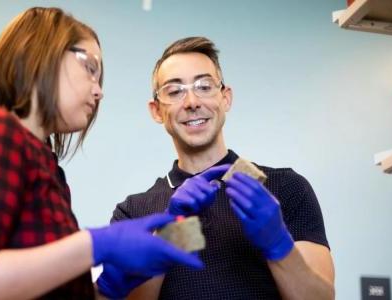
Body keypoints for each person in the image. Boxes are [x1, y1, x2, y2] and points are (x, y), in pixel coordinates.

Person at [0, 8, 212, 299]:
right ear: (40, 54)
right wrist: (96, 245)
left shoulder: (47, 165)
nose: (98, 91)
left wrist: (110, 286)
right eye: (90, 68)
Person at [98, 37, 335, 299]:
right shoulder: (134, 212)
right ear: (156, 111)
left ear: (225, 98)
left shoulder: (284, 187)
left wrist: (278, 243)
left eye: (204, 86)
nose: (191, 101)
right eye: (175, 91)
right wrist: (170, 233)